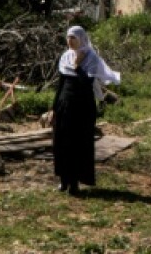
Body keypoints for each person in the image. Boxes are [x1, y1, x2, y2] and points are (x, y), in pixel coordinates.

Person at [53, 25, 120, 196]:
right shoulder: (65, 56)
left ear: (81, 39)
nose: (70, 41)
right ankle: (64, 180)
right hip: (64, 105)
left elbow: (86, 83)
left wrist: (77, 66)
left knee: (78, 143)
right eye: (68, 37)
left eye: (73, 38)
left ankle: (75, 182)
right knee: (62, 142)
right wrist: (55, 107)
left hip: (81, 107)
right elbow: (61, 84)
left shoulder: (91, 57)